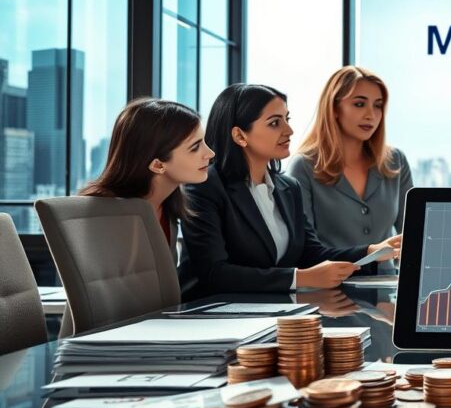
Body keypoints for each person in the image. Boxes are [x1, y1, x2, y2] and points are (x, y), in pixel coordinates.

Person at [177, 83, 397, 301]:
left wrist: (372, 251)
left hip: (270, 311)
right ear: (240, 135)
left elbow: (311, 254)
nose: (289, 131)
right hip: (212, 313)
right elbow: (214, 273)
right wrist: (299, 278)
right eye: (274, 123)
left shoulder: (288, 188)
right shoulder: (204, 186)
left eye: (287, 119)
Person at [287, 66, 412, 273]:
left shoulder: (395, 162)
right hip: (328, 287)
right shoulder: (304, 166)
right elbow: (305, 251)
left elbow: (412, 236)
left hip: (387, 286)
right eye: (359, 104)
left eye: (378, 106)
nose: (371, 115)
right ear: (334, 108)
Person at [80, 98, 215, 264]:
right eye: (195, 147)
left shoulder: (167, 209)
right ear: (157, 165)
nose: (210, 153)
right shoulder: (106, 216)